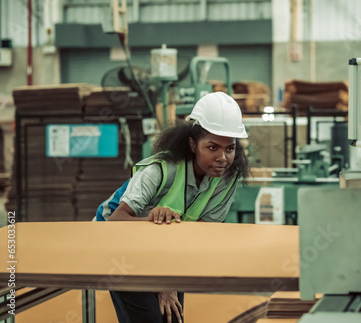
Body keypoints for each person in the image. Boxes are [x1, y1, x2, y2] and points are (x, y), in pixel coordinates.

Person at [94, 92, 249, 323]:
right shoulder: (160, 170)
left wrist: (168, 279)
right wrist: (154, 223)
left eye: (230, 149)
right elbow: (116, 221)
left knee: (172, 318)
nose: (223, 158)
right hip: (118, 247)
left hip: (165, 250)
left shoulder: (226, 179)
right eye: (213, 147)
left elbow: (201, 234)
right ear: (193, 144)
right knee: (150, 319)